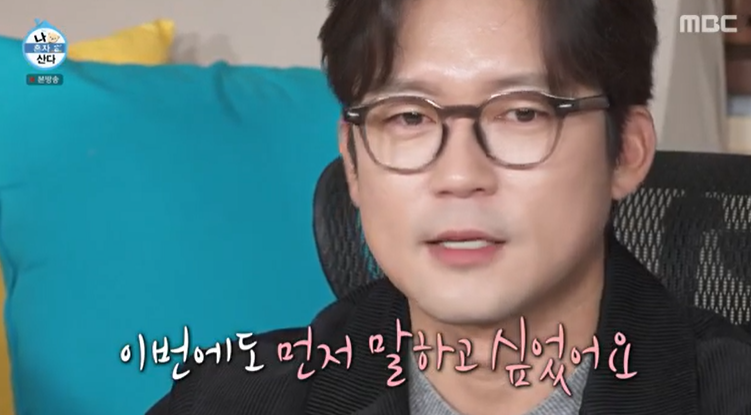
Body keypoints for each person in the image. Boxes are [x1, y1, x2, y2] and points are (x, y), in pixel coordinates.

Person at [146, 0, 751, 414]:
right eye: (409, 117)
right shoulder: (226, 398)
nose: (460, 176)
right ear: (352, 161)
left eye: (523, 113)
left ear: (626, 151)